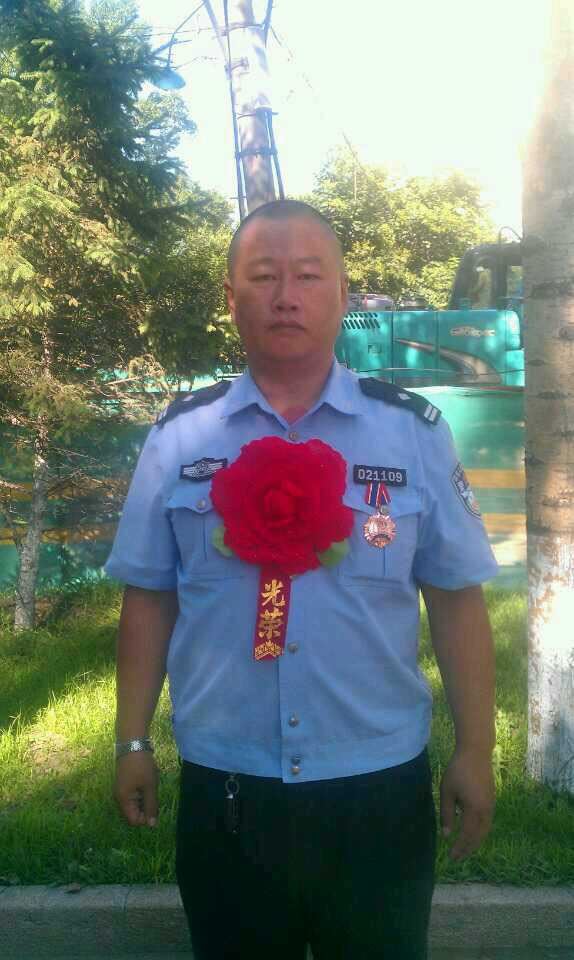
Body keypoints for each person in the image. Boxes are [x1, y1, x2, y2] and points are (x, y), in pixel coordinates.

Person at [106, 199, 497, 960]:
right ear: (231, 297)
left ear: (343, 295)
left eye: (309, 276)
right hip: (229, 784)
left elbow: (456, 600)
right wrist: (131, 740)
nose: (286, 296)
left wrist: (475, 750)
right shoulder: (181, 437)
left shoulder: (410, 433)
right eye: (263, 276)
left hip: (377, 787)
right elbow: (149, 596)